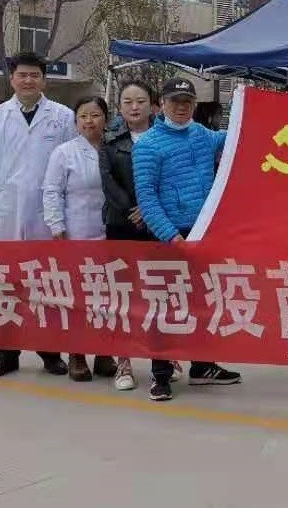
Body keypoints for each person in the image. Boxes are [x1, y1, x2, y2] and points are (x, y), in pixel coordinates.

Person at [133, 77, 242, 402]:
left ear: (194, 105)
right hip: (170, 236)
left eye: (187, 102)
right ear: (161, 105)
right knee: (165, 305)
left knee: (203, 302)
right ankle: (161, 374)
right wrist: (172, 236)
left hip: (203, 231)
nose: (181, 107)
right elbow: (147, 199)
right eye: (174, 101)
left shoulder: (202, 135)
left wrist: (261, 113)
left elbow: (238, 137)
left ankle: (203, 365)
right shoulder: (148, 145)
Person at [0, 51, 76, 379]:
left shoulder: (63, 117)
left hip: (47, 216)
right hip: (4, 213)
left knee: (47, 284)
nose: (28, 80)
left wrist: (65, 217)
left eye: (34, 75)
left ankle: (50, 353)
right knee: (4, 284)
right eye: (22, 75)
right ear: (12, 78)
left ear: (44, 80)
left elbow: (71, 167)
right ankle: (6, 354)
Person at [99, 80, 177, 392]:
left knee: (161, 293)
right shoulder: (109, 140)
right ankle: (124, 362)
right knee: (124, 295)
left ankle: (165, 358)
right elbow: (108, 181)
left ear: (153, 105)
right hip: (121, 224)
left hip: (159, 225)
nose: (134, 107)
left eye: (141, 101)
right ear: (119, 107)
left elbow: (173, 178)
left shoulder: (168, 137)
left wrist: (149, 209)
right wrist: (133, 208)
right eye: (128, 101)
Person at [42, 95, 116, 383]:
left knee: (108, 296)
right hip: (77, 232)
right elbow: (52, 190)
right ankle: (77, 354)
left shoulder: (115, 149)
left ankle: (104, 353)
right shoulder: (64, 153)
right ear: (76, 122)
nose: (89, 121)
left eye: (95, 115)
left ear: (106, 119)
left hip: (111, 232)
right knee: (80, 297)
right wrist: (56, 224)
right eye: (83, 116)